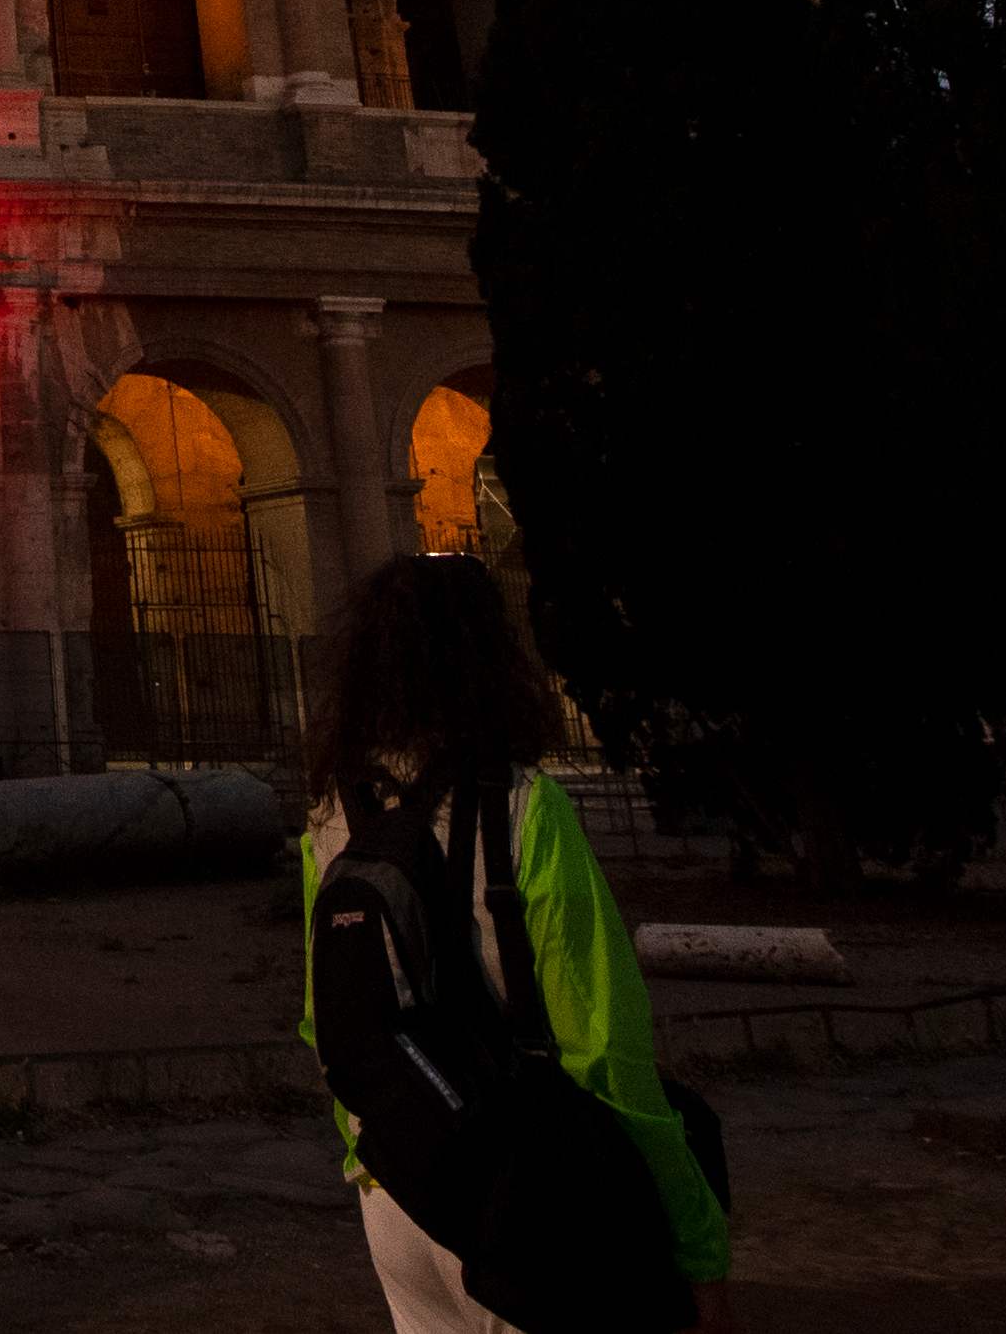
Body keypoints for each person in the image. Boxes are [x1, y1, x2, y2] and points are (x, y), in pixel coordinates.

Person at [299, 554, 732, 1333]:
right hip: (525, 1193)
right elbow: (606, 1051)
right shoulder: (530, 808)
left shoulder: (331, 818)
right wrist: (699, 1245)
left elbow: (324, 1022)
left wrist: (376, 1150)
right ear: (491, 659)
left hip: (395, 1189)